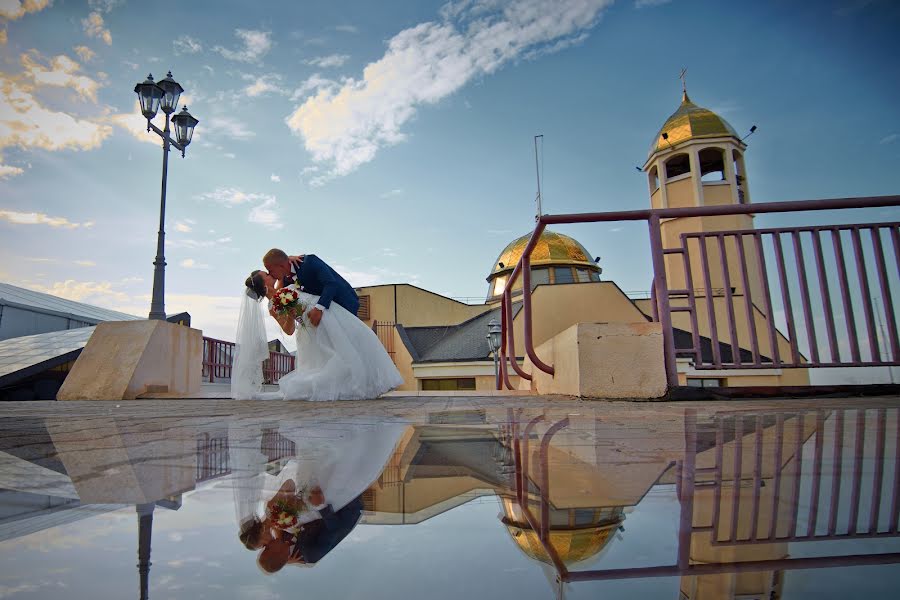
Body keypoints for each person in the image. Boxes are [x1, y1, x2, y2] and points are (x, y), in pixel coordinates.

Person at [232, 268, 403, 401]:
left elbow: (290, 268)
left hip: (328, 317)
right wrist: (292, 314)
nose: (270, 274)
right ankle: (354, 387)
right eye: (266, 275)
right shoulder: (273, 307)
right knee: (338, 357)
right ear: (264, 285)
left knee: (355, 343)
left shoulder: (282, 285)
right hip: (312, 330)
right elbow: (289, 330)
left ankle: (366, 384)